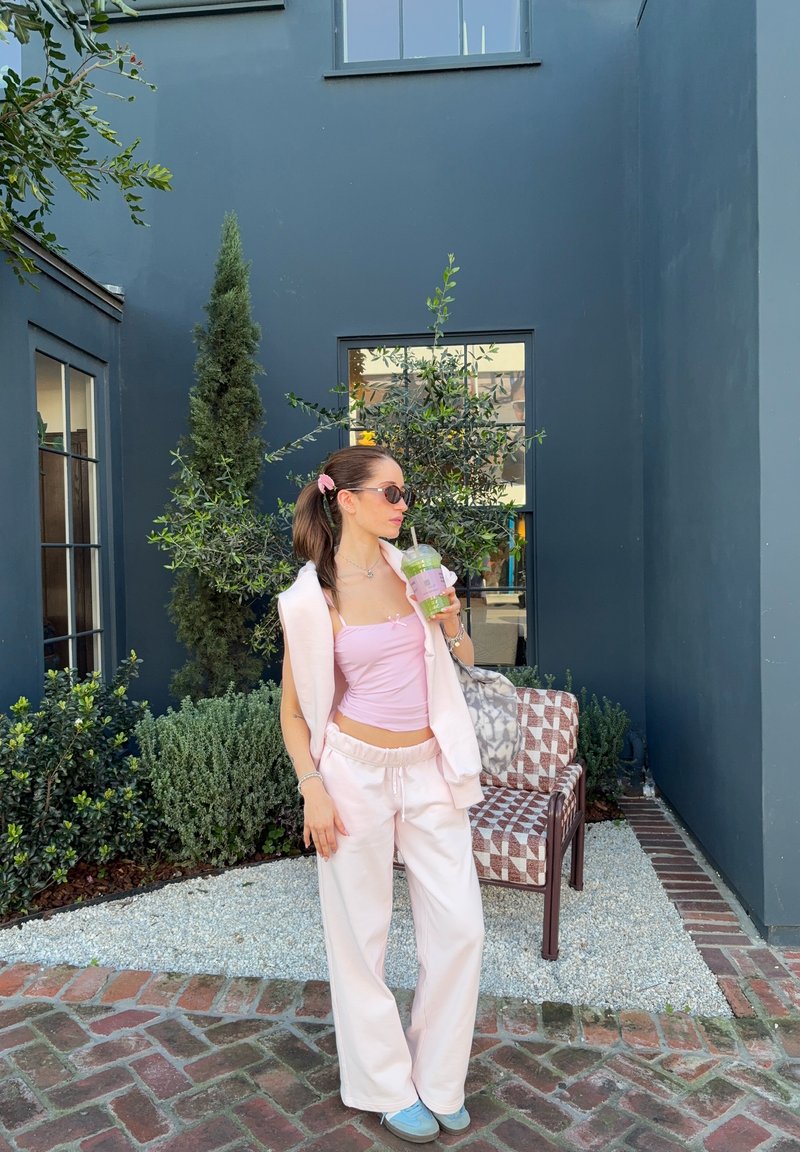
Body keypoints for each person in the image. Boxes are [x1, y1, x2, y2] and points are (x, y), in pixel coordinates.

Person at [278, 444, 485, 1145]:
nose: (403, 506)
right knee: (360, 937)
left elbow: (464, 661)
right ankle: (384, 1084)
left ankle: (439, 1075)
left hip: (429, 769)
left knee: (461, 927)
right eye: (391, 493)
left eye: (406, 494)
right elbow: (295, 713)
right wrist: (313, 788)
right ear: (347, 499)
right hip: (353, 773)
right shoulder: (312, 599)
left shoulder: (418, 571)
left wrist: (452, 620)